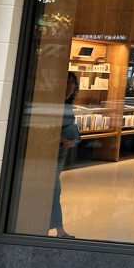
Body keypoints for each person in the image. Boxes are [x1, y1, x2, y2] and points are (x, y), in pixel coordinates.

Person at [50, 71, 82, 238]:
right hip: (51, 151)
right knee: (53, 189)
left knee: (54, 189)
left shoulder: (67, 102)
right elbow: (47, 128)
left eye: (72, 83)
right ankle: (59, 230)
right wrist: (63, 140)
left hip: (61, 152)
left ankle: (57, 229)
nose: (70, 86)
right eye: (67, 82)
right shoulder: (55, 103)